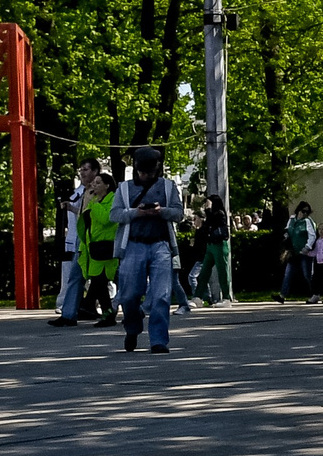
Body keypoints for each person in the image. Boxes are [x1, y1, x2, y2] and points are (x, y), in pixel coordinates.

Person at [112, 146, 185, 353]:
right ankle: (132, 327)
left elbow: (179, 214)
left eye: (150, 172)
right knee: (128, 295)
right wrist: (136, 213)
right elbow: (114, 215)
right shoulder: (124, 189)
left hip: (160, 244)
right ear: (136, 169)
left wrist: (161, 211)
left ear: (157, 169)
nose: (146, 176)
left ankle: (158, 340)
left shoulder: (168, 187)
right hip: (133, 245)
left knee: (161, 295)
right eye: (143, 172)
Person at [48, 160, 99, 327]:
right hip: (81, 241)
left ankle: (119, 308)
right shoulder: (79, 192)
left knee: (106, 277)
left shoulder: (101, 191)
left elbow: (92, 213)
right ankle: (69, 314)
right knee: (76, 276)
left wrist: (72, 208)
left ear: (95, 171)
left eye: (86, 169)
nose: (82, 173)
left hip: (99, 240)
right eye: (81, 169)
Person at [78, 168, 119, 325]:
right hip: (93, 247)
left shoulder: (113, 199)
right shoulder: (94, 200)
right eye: (93, 183)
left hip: (107, 247)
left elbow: (106, 219)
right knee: (98, 281)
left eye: (98, 183)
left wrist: (93, 205)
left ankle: (89, 305)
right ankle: (106, 314)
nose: (93, 185)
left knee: (100, 281)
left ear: (107, 185)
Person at [193, 193, 233, 305]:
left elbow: (212, 220)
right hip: (210, 245)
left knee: (222, 272)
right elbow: (206, 227)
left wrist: (208, 210)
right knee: (204, 272)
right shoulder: (211, 214)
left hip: (220, 244)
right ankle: (198, 297)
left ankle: (226, 298)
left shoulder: (220, 214)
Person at [280, 201, 315, 302]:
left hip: (304, 252)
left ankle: (314, 294)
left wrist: (307, 247)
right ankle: (282, 295)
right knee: (288, 273)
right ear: (298, 210)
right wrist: (286, 236)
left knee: (307, 274)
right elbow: (287, 230)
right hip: (293, 252)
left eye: (307, 212)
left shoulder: (307, 221)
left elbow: (312, 235)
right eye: (303, 211)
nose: (305, 214)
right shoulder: (292, 219)